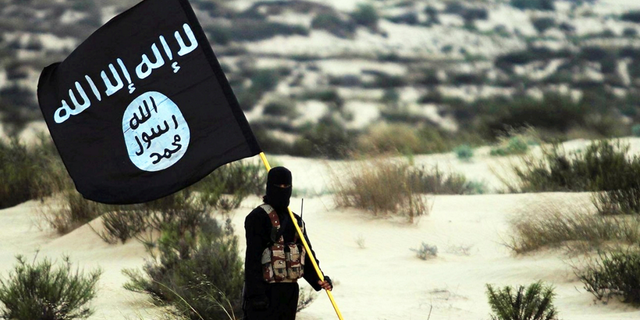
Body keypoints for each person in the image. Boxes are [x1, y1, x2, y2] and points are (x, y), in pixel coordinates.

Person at [243, 166, 332, 320]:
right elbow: (252, 260)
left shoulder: (296, 221)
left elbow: (307, 255)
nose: (282, 190)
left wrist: (319, 279)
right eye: (278, 187)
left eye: (286, 187)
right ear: (270, 187)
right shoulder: (257, 218)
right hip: (264, 293)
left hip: (289, 294)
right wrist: (256, 295)